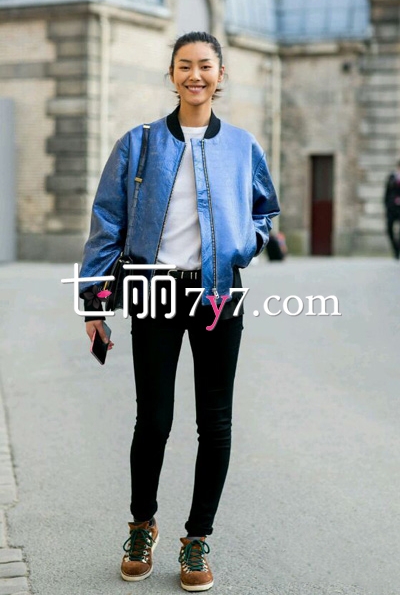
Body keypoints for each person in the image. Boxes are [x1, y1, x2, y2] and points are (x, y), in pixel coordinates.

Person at [79, 31, 280, 592]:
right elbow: (107, 221)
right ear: (171, 74)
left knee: (214, 421)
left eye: (205, 66)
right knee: (154, 419)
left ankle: (197, 539)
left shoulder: (241, 145)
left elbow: (266, 211)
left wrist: (243, 245)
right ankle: (142, 526)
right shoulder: (139, 143)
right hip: (155, 293)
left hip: (218, 293)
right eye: (185, 66)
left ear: (221, 75)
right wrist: (94, 303)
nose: (195, 75)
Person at [384, 160, 400, 259]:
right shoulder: (391, 177)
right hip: (392, 208)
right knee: (389, 229)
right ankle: (396, 249)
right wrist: (386, 207)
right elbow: (386, 193)